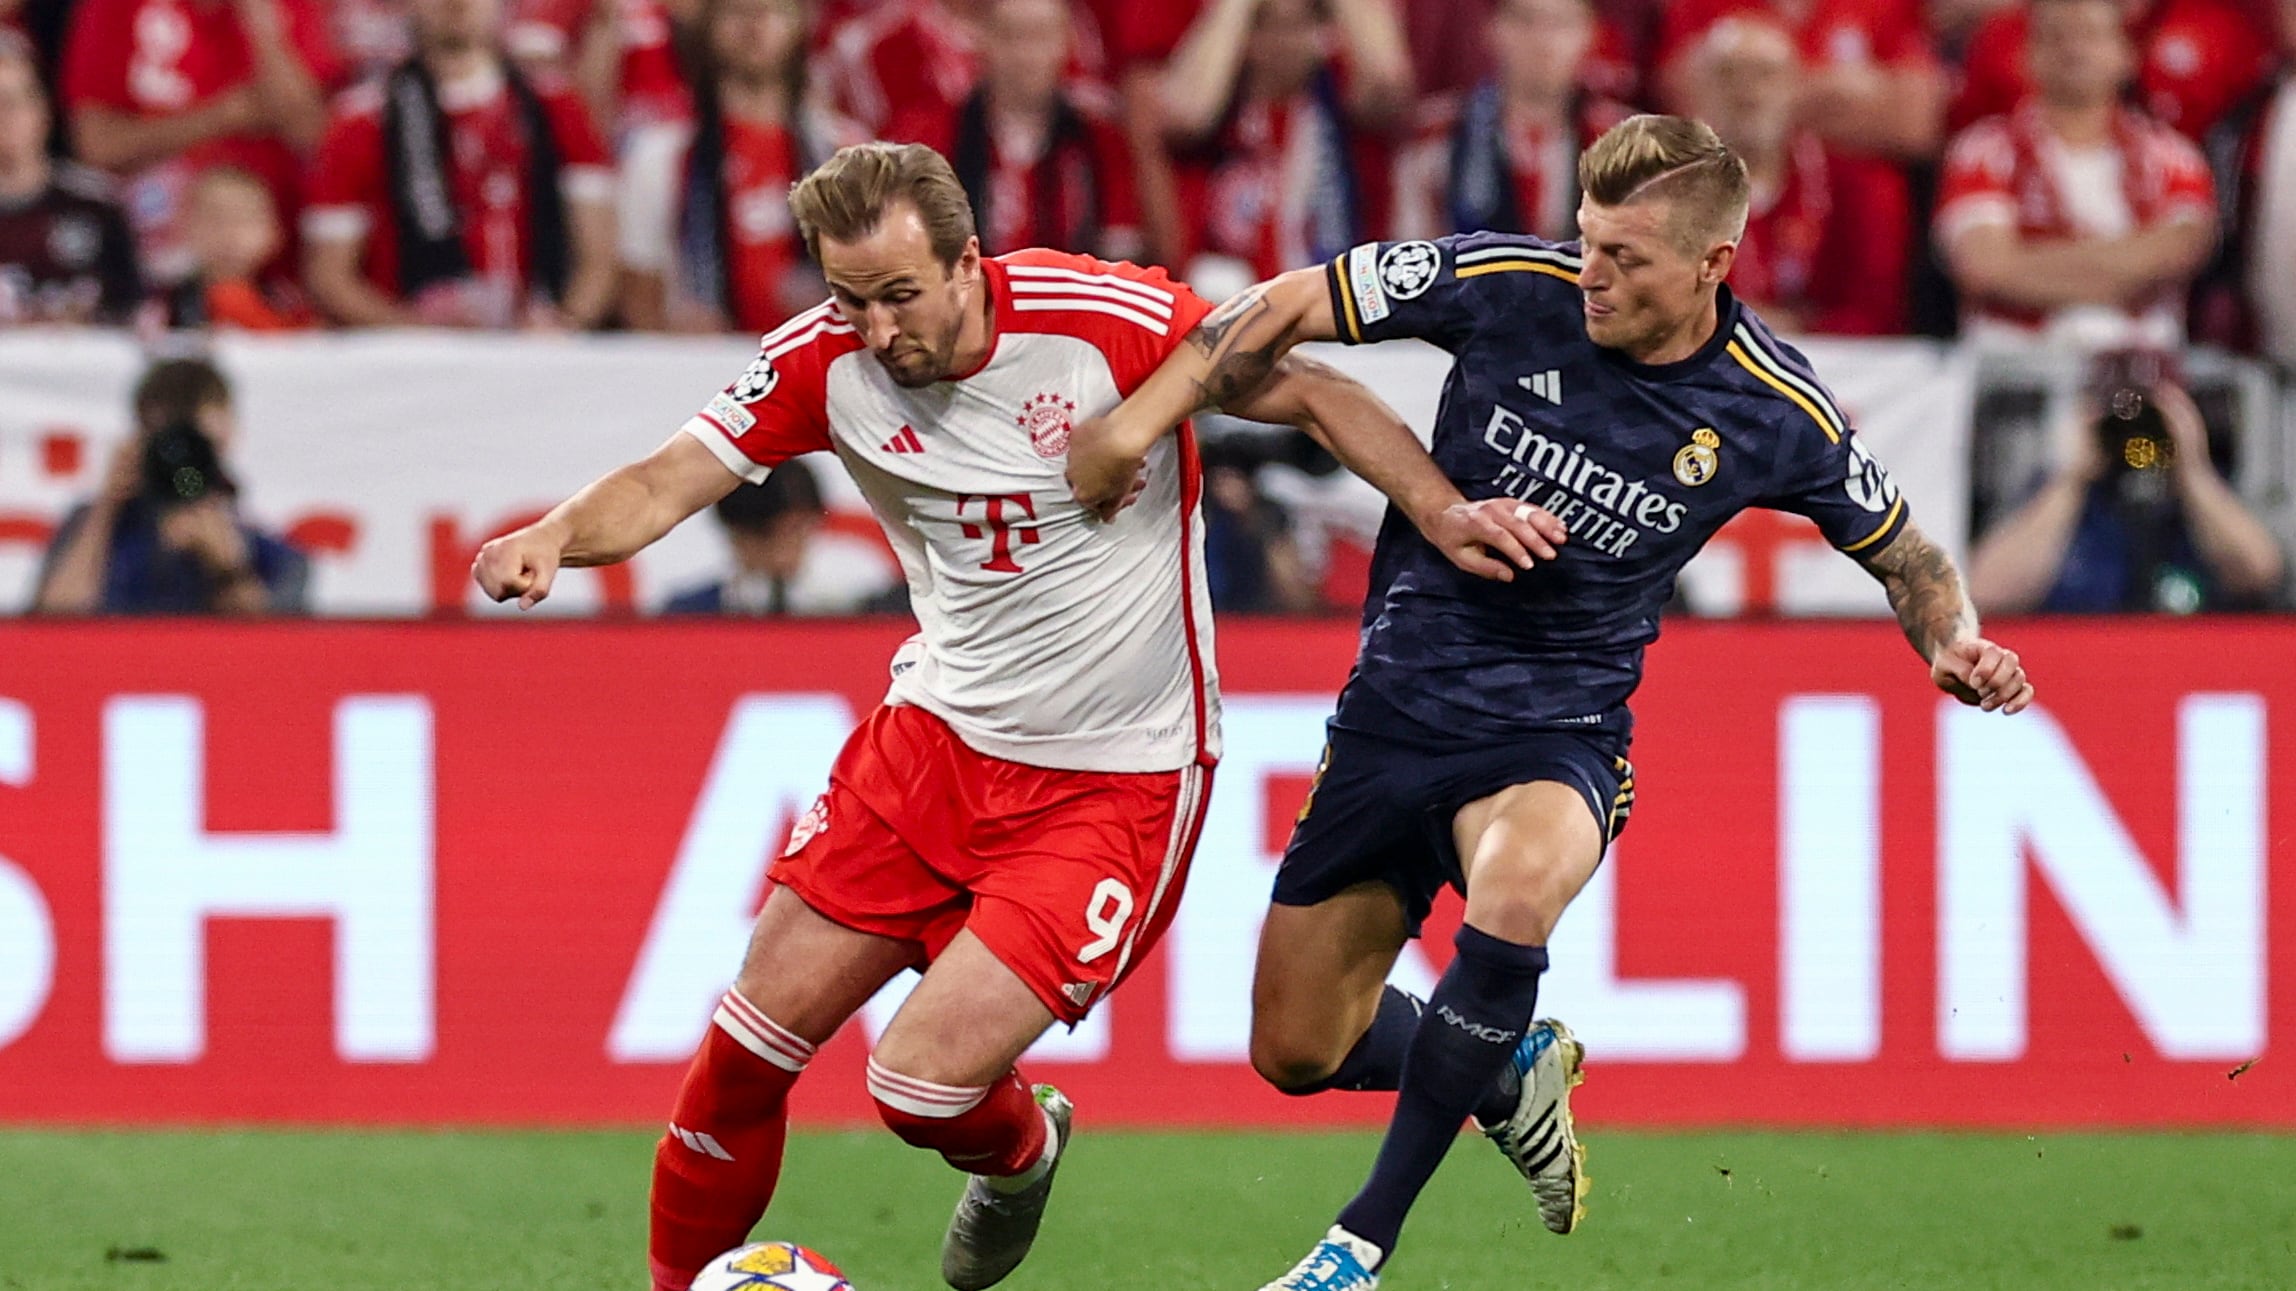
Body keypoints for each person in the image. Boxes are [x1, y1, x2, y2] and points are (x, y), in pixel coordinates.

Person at [468, 141, 1551, 1291]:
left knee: (918, 1087)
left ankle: (1022, 1149)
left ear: (968, 263)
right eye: (849, 299)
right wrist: (553, 536)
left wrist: (1438, 510)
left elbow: (1317, 391)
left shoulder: (1104, 321)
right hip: (929, 745)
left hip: (1111, 778)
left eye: (899, 296)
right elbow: (663, 479)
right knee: (740, 1052)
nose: (878, 332)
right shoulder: (824, 362)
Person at [1068, 113, 2036, 1291]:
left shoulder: (1773, 408)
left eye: (1626, 258)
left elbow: (1907, 556)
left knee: (1517, 888)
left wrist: (1954, 640)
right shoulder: (1503, 283)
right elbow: (1280, 307)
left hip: (1559, 729)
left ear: (1711, 267)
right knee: (1293, 1046)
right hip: (1396, 707)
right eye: (1588, 241)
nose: (1593, 275)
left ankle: (1353, 1246)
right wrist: (1141, 420)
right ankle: (1501, 1068)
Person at [300, 0, 617, 329]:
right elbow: (330, 275)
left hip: (537, 341)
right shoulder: (361, 120)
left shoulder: (555, 107)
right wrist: (419, 333)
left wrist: (565, 323)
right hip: (417, 353)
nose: (457, 4)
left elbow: (600, 256)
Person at [1936, 0, 2218, 352]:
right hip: (2017, 370)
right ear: (2027, 55)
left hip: (2136, 377)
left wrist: (2028, 265)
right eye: (2056, 36)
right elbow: (1982, 267)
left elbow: (2181, 252)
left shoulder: (2175, 157)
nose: (2074, 49)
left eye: (2091, 34)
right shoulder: (1981, 150)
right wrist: (2122, 275)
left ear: (2127, 54)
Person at [617, 0, 864, 333]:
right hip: (700, 371)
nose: (756, 26)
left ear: (800, 25)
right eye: (737, 11)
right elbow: (638, 291)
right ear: (708, 26)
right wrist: (672, 332)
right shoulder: (663, 154)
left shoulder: (846, 153)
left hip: (818, 367)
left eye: (774, 11)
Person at [1966, 355, 2284, 612]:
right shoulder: (2057, 489)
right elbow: (1986, 592)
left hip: (2192, 661)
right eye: (2117, 410)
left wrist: (2193, 471)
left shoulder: (2209, 485)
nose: (2134, 429)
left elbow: (2261, 573)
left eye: (2149, 410)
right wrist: (2070, 480)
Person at [60, 0, 340, 282]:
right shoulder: (117, 6)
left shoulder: (291, 6)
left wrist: (264, 30)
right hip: (153, 257)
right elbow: (96, 147)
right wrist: (226, 115)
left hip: (271, 261)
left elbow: (311, 134)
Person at [1678, 14, 1910, 333]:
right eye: (1729, 75)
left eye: (1766, 75)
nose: (1748, 94)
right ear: (1698, 92)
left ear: (1797, 87)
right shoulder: (1662, 194)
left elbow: (1875, 314)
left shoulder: (1859, 190)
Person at [1158, 0, 1414, 283]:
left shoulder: (1339, 102)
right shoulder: (1220, 109)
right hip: (1229, 304)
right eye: (1265, 23)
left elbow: (1388, 86)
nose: (1284, 41)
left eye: (1300, 24)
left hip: (1330, 304)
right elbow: (1182, 115)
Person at [32, 356, 308, 614]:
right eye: (171, 444)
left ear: (229, 435)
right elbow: (53, 629)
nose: (185, 462)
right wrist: (106, 506)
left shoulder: (274, 558)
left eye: (199, 445)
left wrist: (228, 569)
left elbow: (270, 652)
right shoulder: (96, 531)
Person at [890, 0, 1143, 263]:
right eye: (1011, 36)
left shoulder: (1100, 140)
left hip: (1070, 297)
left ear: (1067, 41)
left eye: (1041, 36)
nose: (1027, 55)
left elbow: (1118, 260)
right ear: (981, 37)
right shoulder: (929, 135)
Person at [1388, 0, 1634, 244]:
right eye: (1525, 20)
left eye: (1561, 24)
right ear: (1492, 28)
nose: (1543, 41)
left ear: (1591, 33)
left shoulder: (1624, 142)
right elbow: (1412, 251)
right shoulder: (1435, 134)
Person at [0, 34, 145, 325]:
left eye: (15, 101)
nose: (5, 116)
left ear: (43, 111)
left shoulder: (97, 205)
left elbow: (134, 309)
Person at [660, 458, 902, 614]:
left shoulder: (870, 606)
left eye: (795, 531)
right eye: (764, 536)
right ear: (735, 533)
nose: (781, 553)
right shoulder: (690, 615)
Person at [162, 164, 316, 328]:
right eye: (215, 219)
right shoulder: (165, 303)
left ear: (274, 233)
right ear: (185, 226)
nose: (229, 234)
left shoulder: (288, 302)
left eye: (244, 220)